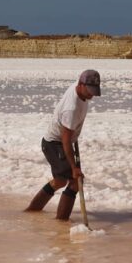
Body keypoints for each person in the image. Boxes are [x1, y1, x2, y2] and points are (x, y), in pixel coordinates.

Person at [25, 69, 101, 220]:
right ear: (80, 84)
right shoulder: (71, 109)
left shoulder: (78, 88)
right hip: (55, 143)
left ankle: (32, 211)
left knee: (59, 181)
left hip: (59, 142)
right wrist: (74, 168)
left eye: (94, 91)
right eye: (89, 91)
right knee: (74, 182)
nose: (91, 95)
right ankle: (61, 223)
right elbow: (66, 140)